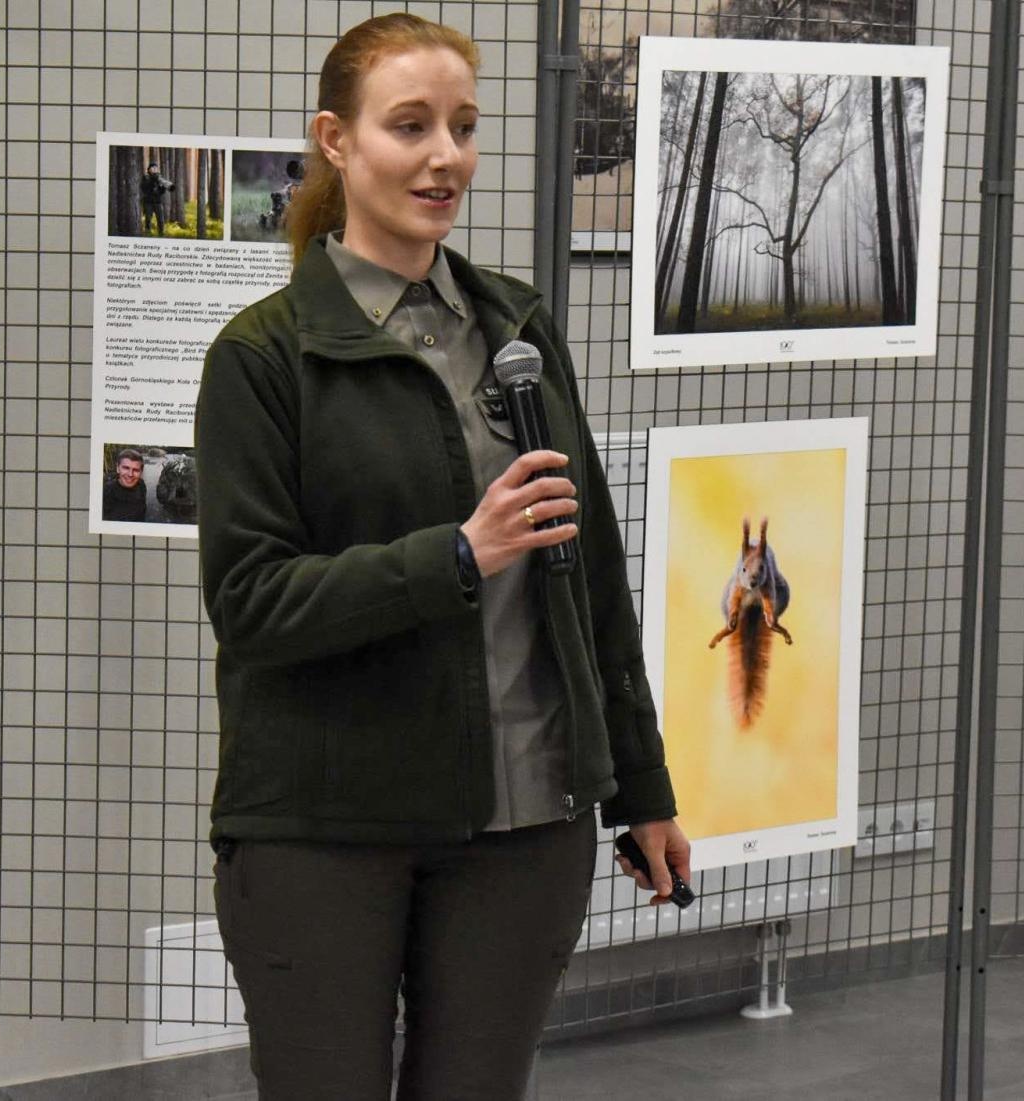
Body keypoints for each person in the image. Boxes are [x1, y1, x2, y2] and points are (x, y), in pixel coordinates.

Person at [194, 14, 690, 1100]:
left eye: (463, 128)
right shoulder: (263, 357)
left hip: (522, 827)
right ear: (335, 139)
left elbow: (592, 569)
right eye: (409, 126)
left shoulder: (517, 324)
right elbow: (251, 603)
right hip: (327, 834)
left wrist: (639, 785)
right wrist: (457, 556)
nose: (444, 157)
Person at [101, 448, 146, 521]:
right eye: (126, 468)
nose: (130, 474)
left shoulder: (141, 485)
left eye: (136, 470)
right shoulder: (105, 492)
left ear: (141, 472)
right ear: (118, 468)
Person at [140, 161, 171, 234]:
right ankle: (147, 232)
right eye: (153, 168)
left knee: (160, 219)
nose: (154, 169)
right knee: (148, 218)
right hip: (148, 202)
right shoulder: (145, 177)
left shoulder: (159, 178)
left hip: (158, 201)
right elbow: (144, 187)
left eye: (156, 168)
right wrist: (153, 181)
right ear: (149, 169)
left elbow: (163, 191)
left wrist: (161, 187)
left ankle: (161, 233)